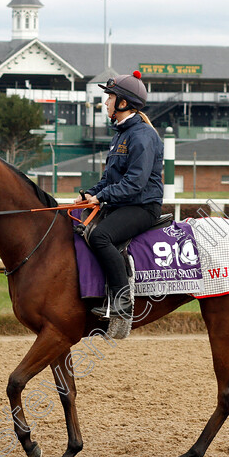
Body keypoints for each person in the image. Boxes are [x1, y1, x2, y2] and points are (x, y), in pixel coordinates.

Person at [75, 71, 164, 319]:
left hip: (143, 207)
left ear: (123, 103)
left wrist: (102, 198)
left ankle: (122, 299)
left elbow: (135, 183)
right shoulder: (120, 134)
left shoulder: (143, 135)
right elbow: (108, 178)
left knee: (101, 236)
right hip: (124, 203)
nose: (105, 102)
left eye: (110, 97)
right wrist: (91, 194)